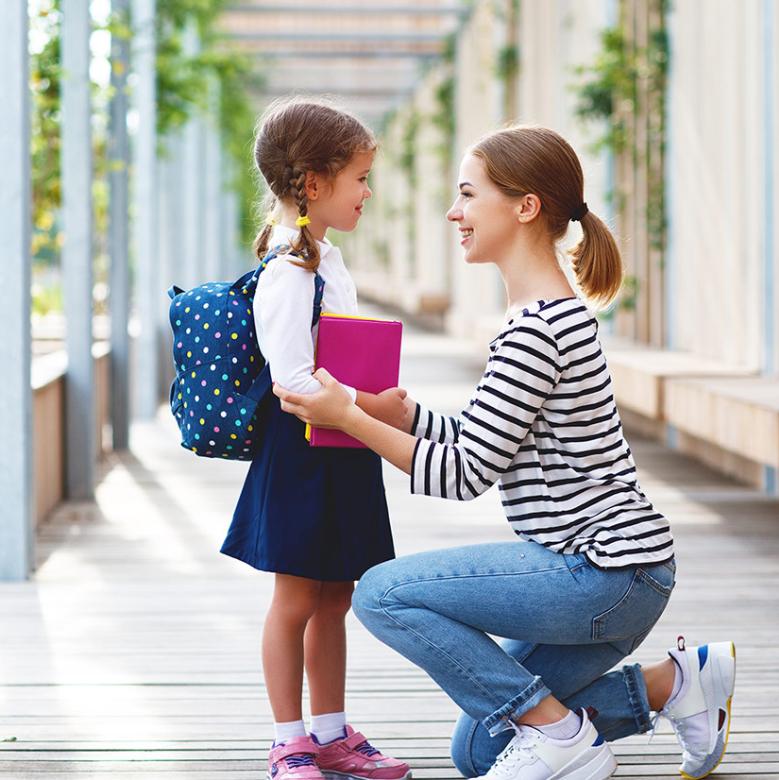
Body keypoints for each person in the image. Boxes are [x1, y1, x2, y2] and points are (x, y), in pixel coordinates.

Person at [272, 125, 737, 780]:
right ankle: (675, 686)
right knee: (480, 750)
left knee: (381, 593)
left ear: (525, 207)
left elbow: (463, 474)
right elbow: (488, 437)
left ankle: (557, 733)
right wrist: (405, 416)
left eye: (467, 195)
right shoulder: (547, 317)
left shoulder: (536, 330)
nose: (453, 212)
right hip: (622, 575)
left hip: (601, 573)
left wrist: (346, 416)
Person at [222, 98, 411, 780]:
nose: (367, 191)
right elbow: (293, 382)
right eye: (359, 176)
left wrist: (367, 407)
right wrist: (373, 405)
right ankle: (287, 739)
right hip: (303, 452)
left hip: (339, 449)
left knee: (336, 596)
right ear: (313, 184)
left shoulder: (325, 259)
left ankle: (331, 733)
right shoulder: (289, 271)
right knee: (296, 599)